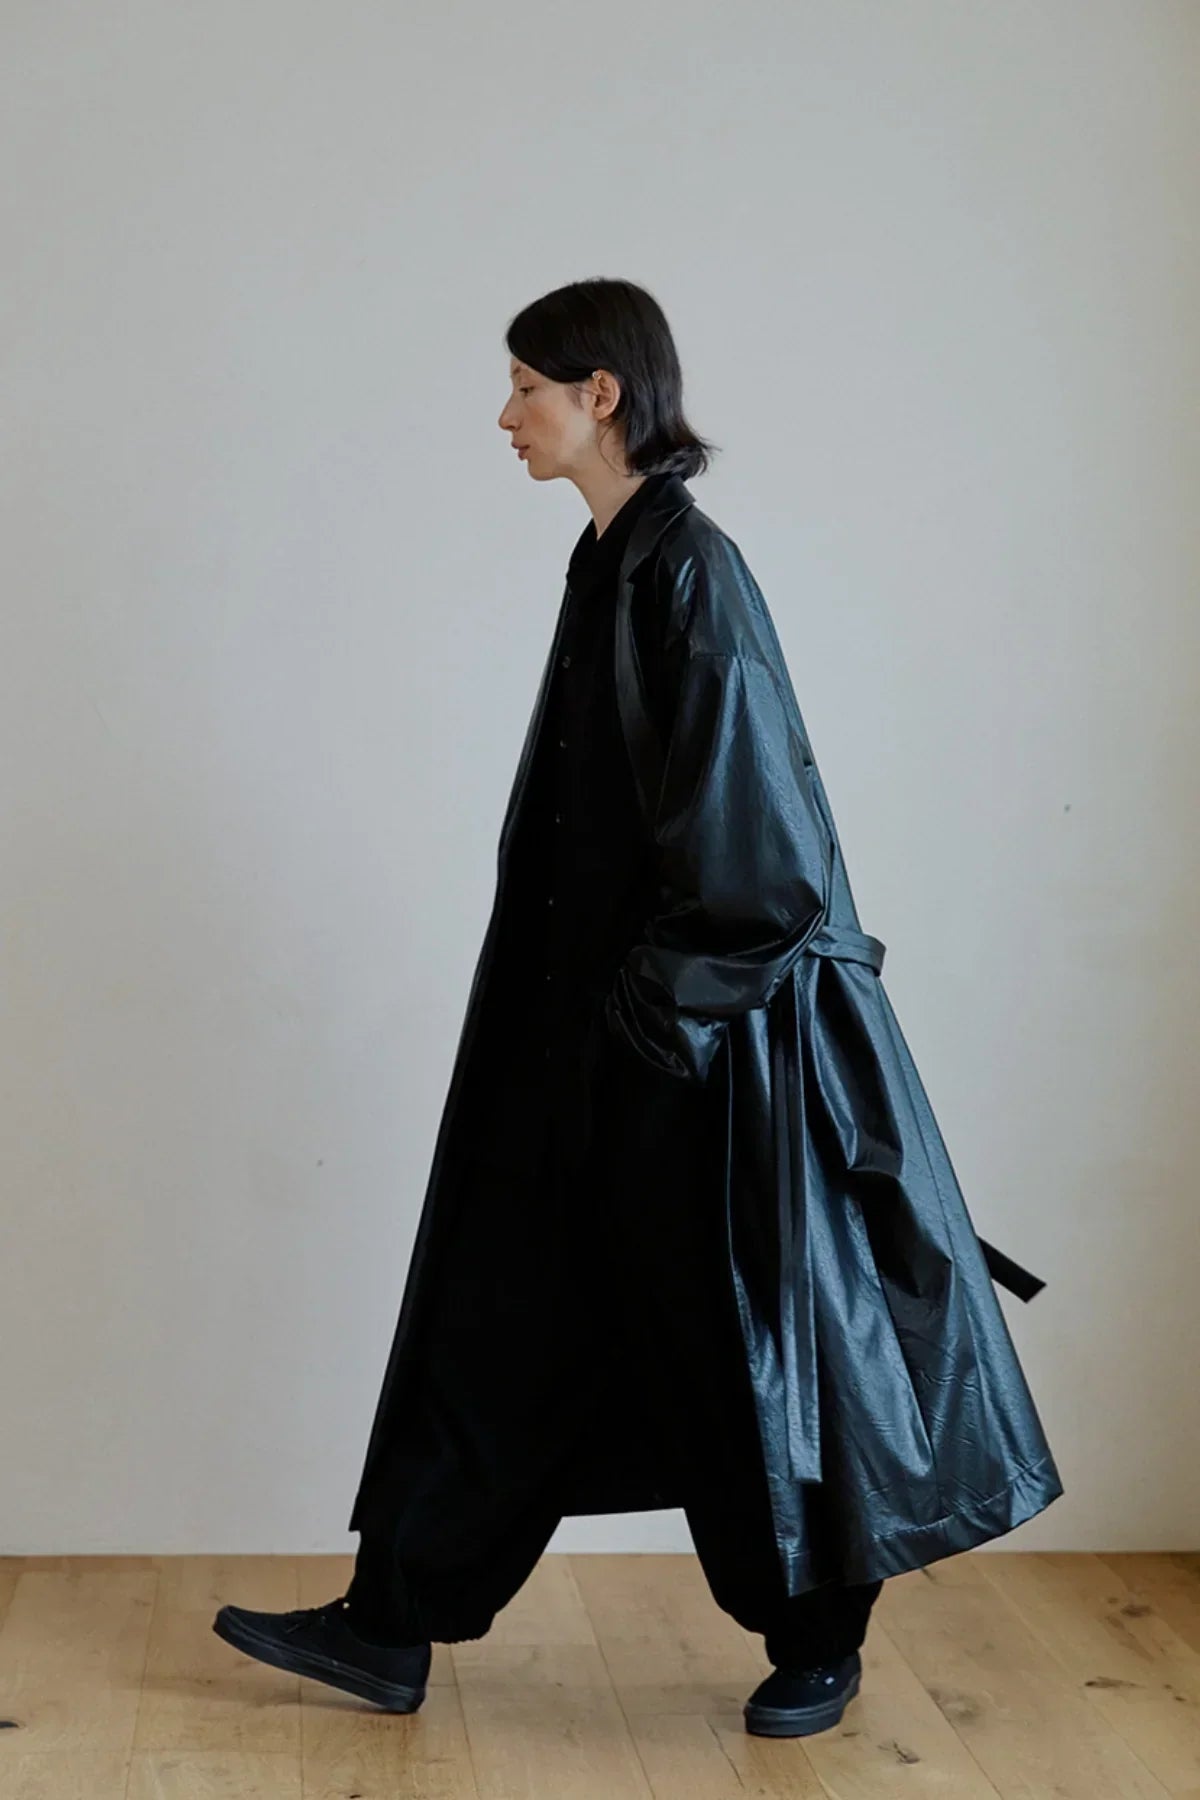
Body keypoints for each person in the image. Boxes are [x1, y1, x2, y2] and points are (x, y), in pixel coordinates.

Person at [214, 278, 1062, 1738]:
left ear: (603, 393)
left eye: (527, 388)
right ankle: (391, 1624)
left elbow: (759, 861)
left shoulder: (690, 572)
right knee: (496, 1321)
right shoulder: (611, 559)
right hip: (578, 1049)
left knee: (726, 1346)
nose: (506, 415)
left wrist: (646, 1030)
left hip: (688, 1059)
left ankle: (818, 1638)